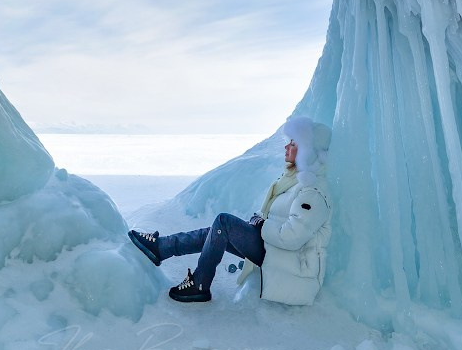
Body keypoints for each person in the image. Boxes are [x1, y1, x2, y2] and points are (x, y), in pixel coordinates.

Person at [127, 115, 333, 305]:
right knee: (214, 233)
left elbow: (292, 238)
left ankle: (200, 283)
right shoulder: (294, 181)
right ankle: (162, 248)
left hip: (288, 261)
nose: (287, 146)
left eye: (294, 143)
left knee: (223, 223)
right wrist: (261, 222)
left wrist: (262, 225)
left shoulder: (312, 193)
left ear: (307, 151)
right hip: (273, 249)